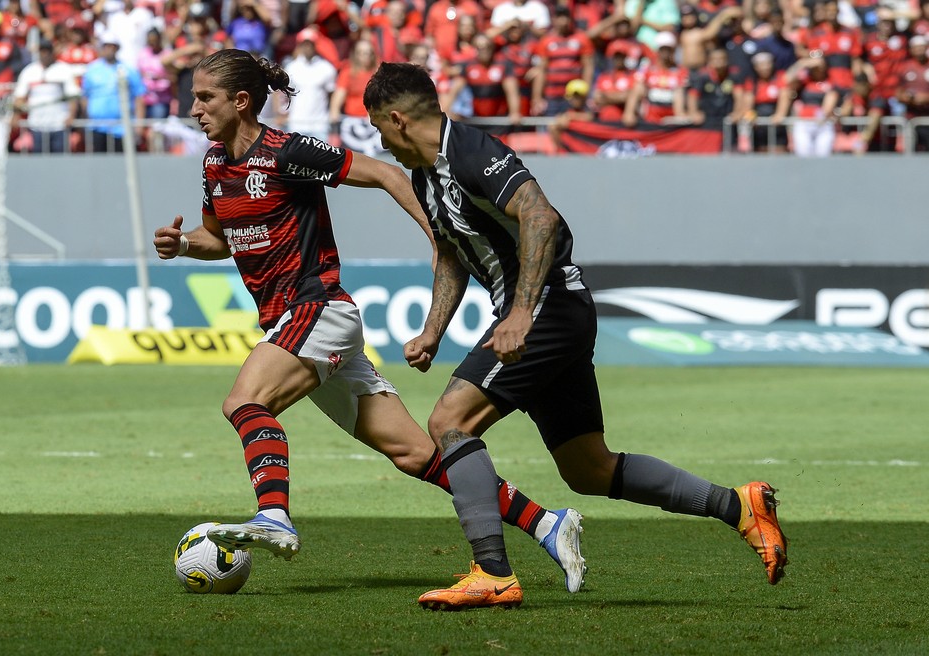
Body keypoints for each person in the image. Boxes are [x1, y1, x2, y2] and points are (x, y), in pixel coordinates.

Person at [152, 48, 587, 606]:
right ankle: (547, 523)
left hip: (317, 309)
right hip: (294, 322)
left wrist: (439, 236)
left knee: (244, 401)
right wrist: (184, 245)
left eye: (204, 97)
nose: (194, 109)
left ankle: (274, 515)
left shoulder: (288, 151)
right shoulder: (215, 165)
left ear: (240, 101)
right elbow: (218, 239)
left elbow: (384, 172)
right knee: (415, 454)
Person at [362, 61, 788, 609]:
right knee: (588, 467)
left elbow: (540, 216)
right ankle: (739, 506)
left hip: (549, 307)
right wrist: (432, 330)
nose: (381, 141)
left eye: (378, 127)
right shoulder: (427, 176)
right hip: (548, 313)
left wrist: (521, 313)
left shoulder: (468, 150)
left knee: (450, 421)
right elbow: (450, 252)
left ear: (397, 119)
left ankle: (493, 573)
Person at [80, 32, 147, 153]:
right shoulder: (91, 70)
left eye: (112, 46)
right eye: (106, 46)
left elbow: (139, 98)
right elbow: (85, 97)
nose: (109, 49)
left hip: (122, 128)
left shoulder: (128, 69)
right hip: (97, 127)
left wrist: (139, 126)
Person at [12, 38, 80, 153]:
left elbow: (72, 96)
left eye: (47, 51)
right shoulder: (29, 71)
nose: (45, 54)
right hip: (37, 125)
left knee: (60, 159)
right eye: (42, 51)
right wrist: (16, 116)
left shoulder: (64, 70)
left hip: (59, 124)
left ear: (52, 52)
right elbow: (20, 96)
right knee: (39, 159)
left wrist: (71, 116)